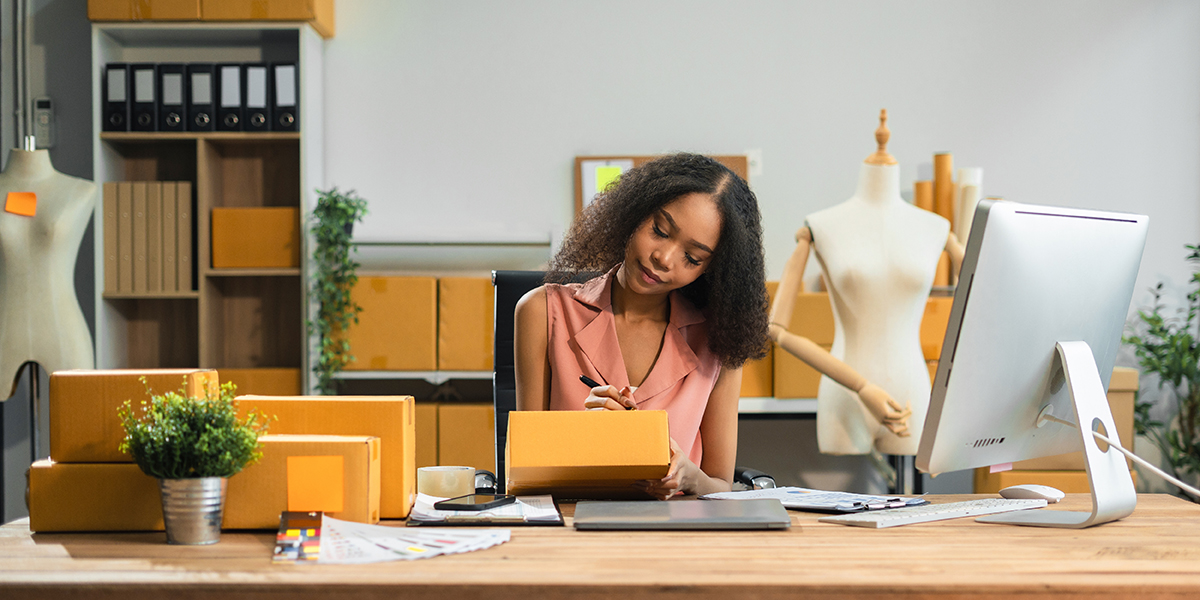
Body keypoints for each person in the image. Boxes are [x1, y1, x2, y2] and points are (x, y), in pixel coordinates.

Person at [514, 153, 769, 500]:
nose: (663, 258)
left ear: (711, 268)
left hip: (678, 538)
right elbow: (525, 472)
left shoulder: (718, 340)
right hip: (575, 536)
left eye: (692, 258)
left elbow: (720, 484)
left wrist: (690, 478)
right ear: (636, 212)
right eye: (660, 231)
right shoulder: (542, 312)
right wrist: (585, 438)